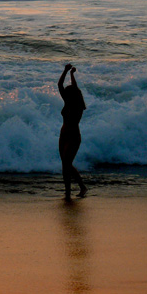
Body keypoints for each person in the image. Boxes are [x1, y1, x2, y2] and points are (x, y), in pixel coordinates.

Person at [58, 63, 87, 199]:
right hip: (63, 135)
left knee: (67, 164)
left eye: (69, 90)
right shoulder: (70, 101)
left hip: (73, 136)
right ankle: (68, 190)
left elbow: (60, 86)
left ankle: (79, 187)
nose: (65, 91)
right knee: (65, 164)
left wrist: (65, 70)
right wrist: (70, 74)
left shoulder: (77, 108)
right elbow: (66, 87)